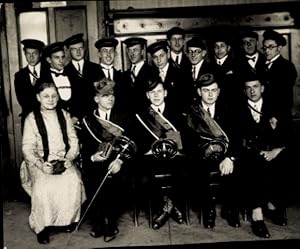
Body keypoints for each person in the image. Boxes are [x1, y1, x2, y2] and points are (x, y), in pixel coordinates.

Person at [20, 81, 86, 244]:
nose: (50, 99)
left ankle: (68, 220)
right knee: (44, 187)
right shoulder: (31, 118)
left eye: (54, 96)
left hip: (63, 160)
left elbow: (73, 141)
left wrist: (69, 158)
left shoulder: (64, 115)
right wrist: (40, 164)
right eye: (46, 96)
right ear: (38, 98)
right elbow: (27, 148)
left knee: (73, 181)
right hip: (40, 162)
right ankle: (43, 226)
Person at [80, 78, 136, 242]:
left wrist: (120, 161)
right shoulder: (88, 121)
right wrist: (93, 158)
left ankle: (111, 223)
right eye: (105, 95)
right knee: (92, 177)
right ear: (96, 99)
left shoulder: (124, 117)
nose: (110, 98)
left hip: (119, 162)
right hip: (97, 162)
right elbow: (85, 149)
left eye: (112, 94)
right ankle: (98, 222)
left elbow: (132, 144)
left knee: (116, 181)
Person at [184, 73, 241, 229]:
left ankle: (230, 210)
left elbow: (237, 138)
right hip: (201, 157)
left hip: (224, 155)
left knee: (237, 168)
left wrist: (230, 158)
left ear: (219, 91)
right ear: (199, 92)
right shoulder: (192, 113)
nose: (210, 94)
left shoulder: (229, 110)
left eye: (213, 90)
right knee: (198, 169)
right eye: (206, 90)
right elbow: (188, 143)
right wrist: (204, 152)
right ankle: (208, 210)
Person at [238, 72, 291, 238]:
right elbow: (236, 136)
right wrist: (254, 150)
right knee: (253, 164)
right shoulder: (237, 109)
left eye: (255, 87)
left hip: (273, 151)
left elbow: (290, 134)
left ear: (262, 88)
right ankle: (257, 214)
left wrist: (276, 150)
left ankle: (272, 203)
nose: (252, 91)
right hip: (248, 153)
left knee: (283, 162)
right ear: (244, 91)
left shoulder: (276, 107)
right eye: (248, 88)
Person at [134, 78, 186, 230]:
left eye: (159, 91)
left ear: (165, 93)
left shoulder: (177, 111)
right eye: (152, 92)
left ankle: (165, 211)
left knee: (185, 173)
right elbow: (137, 139)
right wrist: (148, 149)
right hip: (150, 157)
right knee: (143, 178)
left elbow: (185, 137)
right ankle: (169, 207)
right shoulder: (141, 115)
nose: (156, 95)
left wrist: (177, 148)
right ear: (147, 95)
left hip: (174, 155)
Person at [261, 29, 297, 121]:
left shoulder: (287, 66)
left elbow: (284, 96)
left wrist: (275, 116)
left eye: (271, 47)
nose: (267, 51)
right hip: (264, 114)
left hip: (280, 116)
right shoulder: (261, 65)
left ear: (279, 48)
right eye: (264, 48)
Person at [64, 33, 102, 120]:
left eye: (80, 48)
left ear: (84, 49)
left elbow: (103, 92)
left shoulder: (95, 68)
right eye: (74, 49)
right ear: (69, 51)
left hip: (95, 116)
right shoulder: (65, 71)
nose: (78, 52)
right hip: (74, 118)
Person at [37, 42, 77, 123]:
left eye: (62, 57)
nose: (61, 60)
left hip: (76, 123)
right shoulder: (42, 80)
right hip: (53, 123)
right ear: (49, 60)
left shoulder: (74, 76)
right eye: (56, 57)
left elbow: (82, 100)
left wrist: (76, 117)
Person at [14, 39, 47, 129]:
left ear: (40, 54)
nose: (31, 57)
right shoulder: (19, 76)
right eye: (28, 54)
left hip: (48, 117)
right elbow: (22, 99)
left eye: (34, 53)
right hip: (29, 119)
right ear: (24, 54)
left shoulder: (48, 71)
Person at [147, 40, 188, 111]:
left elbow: (186, 100)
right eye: (155, 57)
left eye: (161, 56)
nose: (158, 60)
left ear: (168, 54)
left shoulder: (181, 74)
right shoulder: (149, 75)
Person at [122, 37, 156, 111]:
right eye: (129, 51)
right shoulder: (124, 76)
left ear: (142, 51)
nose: (132, 54)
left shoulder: (152, 71)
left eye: (135, 50)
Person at [210, 33, 242, 106]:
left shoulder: (237, 65)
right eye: (216, 46)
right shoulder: (209, 66)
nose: (219, 49)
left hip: (232, 104)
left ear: (228, 48)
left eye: (222, 46)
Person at [94, 37, 123, 107]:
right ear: (99, 54)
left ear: (115, 53)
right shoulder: (91, 75)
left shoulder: (122, 77)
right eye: (105, 51)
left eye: (111, 51)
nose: (108, 54)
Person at [186, 37, 212, 103]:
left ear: (203, 53)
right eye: (190, 51)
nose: (193, 55)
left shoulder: (212, 69)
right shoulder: (183, 70)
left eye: (197, 51)